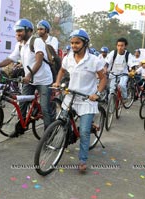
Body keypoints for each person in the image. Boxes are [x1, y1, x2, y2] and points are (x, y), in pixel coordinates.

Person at [53, 29, 107, 171]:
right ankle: (65, 140)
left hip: (86, 100)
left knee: (83, 132)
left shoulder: (94, 61)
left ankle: (83, 160)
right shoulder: (67, 58)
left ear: (85, 43)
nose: (74, 45)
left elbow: (103, 78)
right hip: (70, 96)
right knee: (61, 122)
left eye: (77, 43)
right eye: (72, 43)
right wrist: (57, 82)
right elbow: (61, 71)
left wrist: (97, 93)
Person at [0, 18, 53, 135]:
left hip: (43, 80)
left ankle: (48, 134)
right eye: (16, 31)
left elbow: (38, 61)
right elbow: (10, 59)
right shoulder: (20, 45)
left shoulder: (37, 41)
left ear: (29, 31)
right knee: (22, 103)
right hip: (29, 80)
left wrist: (28, 75)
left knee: (45, 108)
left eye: (20, 31)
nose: (17, 33)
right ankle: (21, 128)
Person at [105, 37, 134, 102]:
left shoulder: (128, 55)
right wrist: (105, 69)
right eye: (118, 45)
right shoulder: (113, 53)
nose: (120, 47)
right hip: (113, 74)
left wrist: (132, 71)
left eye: (122, 46)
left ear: (125, 46)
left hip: (124, 74)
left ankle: (124, 97)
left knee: (122, 85)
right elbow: (107, 62)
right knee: (111, 90)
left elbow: (132, 65)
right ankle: (111, 106)